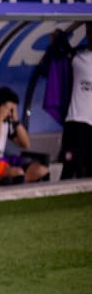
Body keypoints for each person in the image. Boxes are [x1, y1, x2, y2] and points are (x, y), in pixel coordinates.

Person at [0, 87, 49, 185]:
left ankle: (22, 182)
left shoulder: (7, 124)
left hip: (2, 162)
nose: (10, 113)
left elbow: (25, 144)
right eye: (9, 109)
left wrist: (15, 120)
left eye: (13, 109)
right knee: (17, 173)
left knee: (41, 170)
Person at [58, 23, 92, 179]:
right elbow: (61, 42)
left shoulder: (79, 56)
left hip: (85, 124)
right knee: (70, 169)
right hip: (76, 123)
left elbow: (62, 41)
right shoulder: (80, 58)